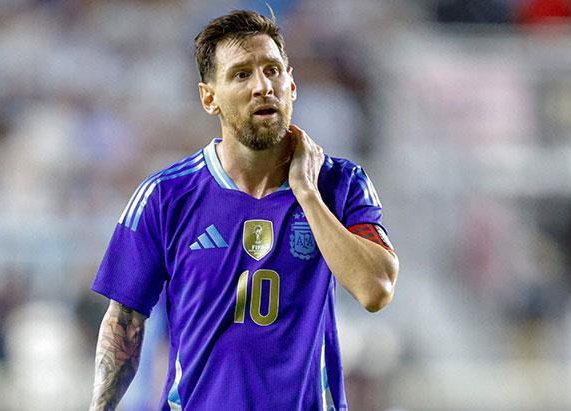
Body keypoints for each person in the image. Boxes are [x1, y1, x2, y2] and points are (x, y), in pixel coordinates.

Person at [89, 10, 399, 411]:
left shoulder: (340, 184)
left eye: (272, 71)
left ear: (291, 84)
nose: (262, 86)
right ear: (209, 98)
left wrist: (307, 193)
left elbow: (376, 290)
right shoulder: (165, 196)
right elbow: (124, 323)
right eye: (241, 75)